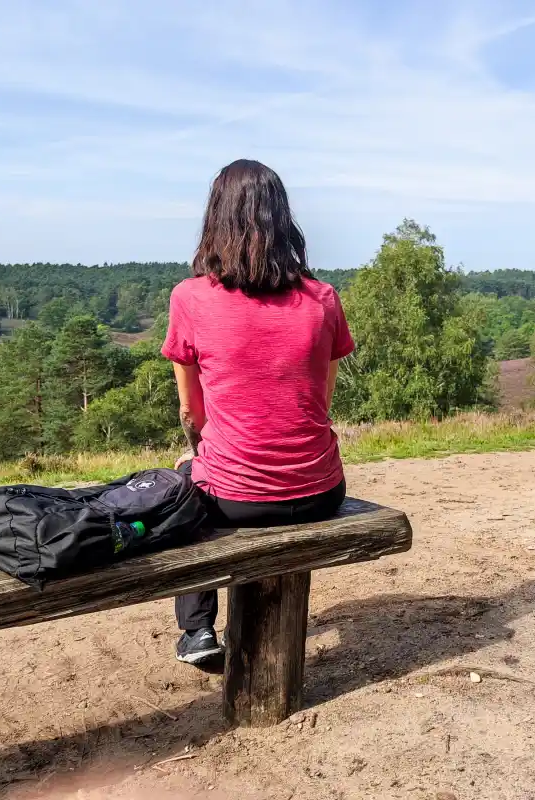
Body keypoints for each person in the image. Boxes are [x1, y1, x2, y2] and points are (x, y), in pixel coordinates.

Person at [160, 159, 355, 665]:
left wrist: (201, 459)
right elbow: (320, 402)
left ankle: (198, 631)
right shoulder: (322, 299)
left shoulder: (191, 297)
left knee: (183, 489)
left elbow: (190, 412)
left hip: (236, 500)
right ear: (282, 219)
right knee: (201, 476)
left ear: (215, 219)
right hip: (320, 491)